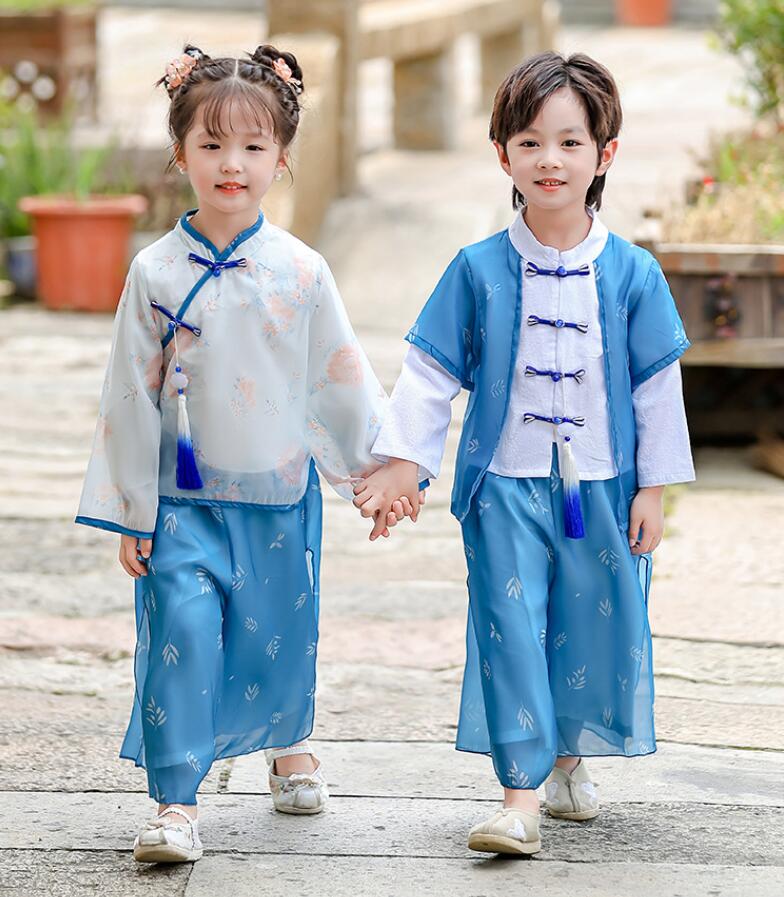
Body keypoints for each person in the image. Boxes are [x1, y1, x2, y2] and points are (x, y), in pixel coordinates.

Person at [353, 51, 695, 855]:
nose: (551, 160)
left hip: (603, 485)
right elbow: (430, 373)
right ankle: (519, 797)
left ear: (605, 155)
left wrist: (653, 488)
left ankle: (569, 756)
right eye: (531, 141)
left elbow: (657, 388)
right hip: (503, 485)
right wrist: (403, 462)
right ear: (501, 153)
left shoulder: (634, 273)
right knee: (509, 624)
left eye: (571, 142)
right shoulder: (475, 269)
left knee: (591, 622)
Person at [75, 43, 404, 863]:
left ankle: (288, 742)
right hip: (181, 502)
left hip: (276, 496)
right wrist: (132, 510)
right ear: (179, 151)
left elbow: (337, 377)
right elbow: (128, 394)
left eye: (255, 146)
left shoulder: (301, 270)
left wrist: (380, 470)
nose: (233, 164)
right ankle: (175, 804)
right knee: (181, 634)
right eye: (212, 144)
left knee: (274, 637)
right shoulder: (153, 271)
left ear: (281, 156)